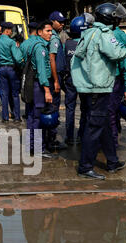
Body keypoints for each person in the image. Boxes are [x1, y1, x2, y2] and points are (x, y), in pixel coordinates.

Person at [71, 3, 126, 180]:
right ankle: (85, 167)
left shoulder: (88, 32)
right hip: (99, 87)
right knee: (94, 127)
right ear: (108, 17)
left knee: (103, 123)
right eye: (114, 16)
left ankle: (112, 162)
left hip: (88, 86)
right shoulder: (105, 34)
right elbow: (116, 53)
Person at [25, 20, 54, 158]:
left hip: (32, 84)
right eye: (48, 31)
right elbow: (42, 71)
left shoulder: (30, 44)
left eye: (51, 31)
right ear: (39, 32)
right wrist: (47, 90)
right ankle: (38, 149)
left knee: (31, 116)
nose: (51, 33)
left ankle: (31, 145)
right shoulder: (40, 48)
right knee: (38, 118)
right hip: (39, 86)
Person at [63, 14, 92, 146]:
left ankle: (69, 137)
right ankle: (81, 136)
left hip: (70, 80)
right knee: (85, 108)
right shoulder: (88, 43)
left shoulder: (66, 44)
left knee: (70, 108)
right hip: (84, 80)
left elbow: (62, 64)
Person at [108, 6, 126, 149]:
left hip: (103, 82)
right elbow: (125, 61)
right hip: (113, 81)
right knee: (112, 114)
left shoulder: (92, 34)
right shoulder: (117, 35)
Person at [0, 21, 24, 123]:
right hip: (12, 69)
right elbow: (17, 58)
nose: (12, 32)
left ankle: (5, 117)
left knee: (4, 94)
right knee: (15, 94)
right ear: (7, 30)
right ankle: (17, 117)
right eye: (11, 30)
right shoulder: (11, 42)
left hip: (2, 69)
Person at [48, 11, 67, 151]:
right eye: (59, 22)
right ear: (52, 21)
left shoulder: (53, 36)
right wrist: (56, 81)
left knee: (51, 108)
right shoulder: (54, 38)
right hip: (54, 76)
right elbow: (52, 59)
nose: (62, 24)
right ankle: (51, 140)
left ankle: (48, 139)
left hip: (55, 76)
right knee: (53, 108)